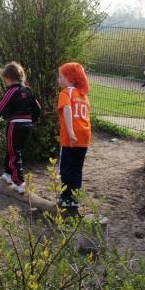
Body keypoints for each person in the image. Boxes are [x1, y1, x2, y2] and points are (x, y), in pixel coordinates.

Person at [0, 62, 41, 194]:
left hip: (15, 125)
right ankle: (8, 174)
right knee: (13, 150)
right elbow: (38, 108)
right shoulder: (27, 90)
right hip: (27, 125)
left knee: (13, 153)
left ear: (8, 77)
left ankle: (20, 183)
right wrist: (31, 120)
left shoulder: (11, 91)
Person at [57, 62, 91, 208]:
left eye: (60, 76)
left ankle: (65, 198)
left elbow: (67, 110)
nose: (58, 79)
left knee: (65, 167)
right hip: (84, 135)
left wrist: (70, 132)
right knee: (77, 168)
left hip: (71, 137)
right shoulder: (83, 95)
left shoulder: (66, 93)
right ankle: (75, 199)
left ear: (69, 78)